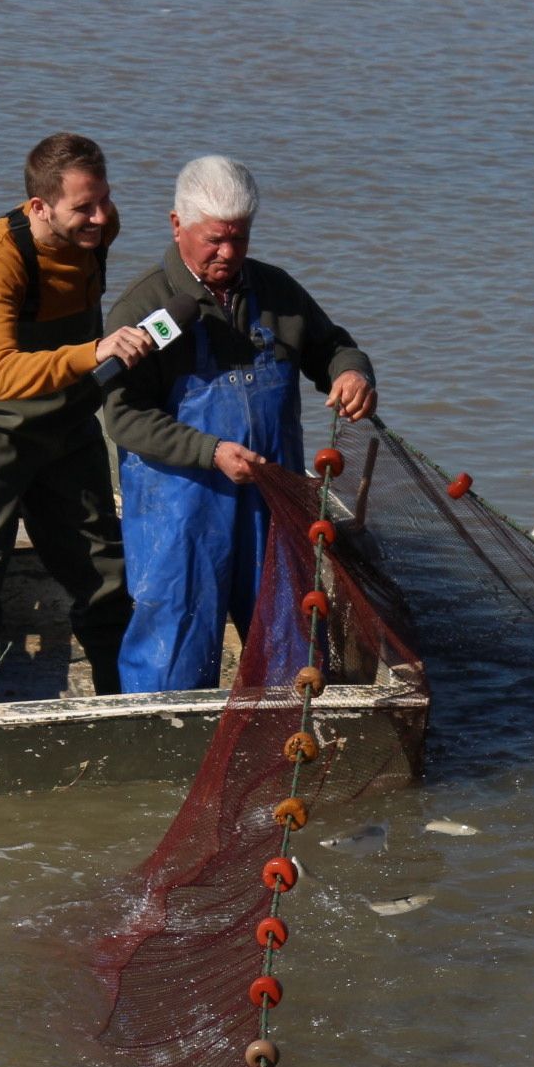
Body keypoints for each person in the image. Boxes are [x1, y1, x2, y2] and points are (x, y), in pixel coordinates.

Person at [100, 156, 377, 693]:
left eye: (239, 238)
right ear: (177, 224)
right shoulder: (146, 306)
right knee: (173, 642)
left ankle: (280, 729)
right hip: (180, 508)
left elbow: (333, 346)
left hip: (270, 501)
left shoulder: (277, 293)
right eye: (213, 240)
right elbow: (125, 417)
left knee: (287, 633)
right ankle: (163, 738)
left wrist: (351, 374)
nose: (227, 253)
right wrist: (211, 452)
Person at [0, 133, 155, 704]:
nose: (101, 218)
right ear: (38, 207)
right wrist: (94, 352)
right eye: (84, 208)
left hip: (66, 427)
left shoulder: (100, 230)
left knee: (104, 578)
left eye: (105, 199)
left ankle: (124, 699)